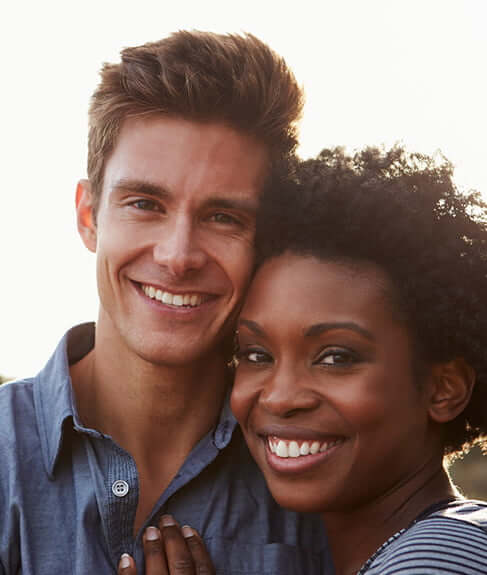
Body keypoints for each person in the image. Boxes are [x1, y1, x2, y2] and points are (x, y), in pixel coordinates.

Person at [0, 31, 327, 574]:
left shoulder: (314, 468)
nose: (178, 257)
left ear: (266, 241)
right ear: (89, 216)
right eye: (145, 203)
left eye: (223, 216)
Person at [230, 147, 487, 574]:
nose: (279, 397)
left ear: (446, 387)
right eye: (256, 354)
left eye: (335, 357)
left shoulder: (437, 558)